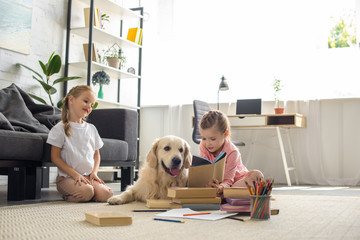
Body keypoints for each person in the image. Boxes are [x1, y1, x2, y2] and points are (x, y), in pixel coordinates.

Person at [47, 85, 113, 202]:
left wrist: (94, 173)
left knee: (106, 194)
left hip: (88, 177)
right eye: (86, 101)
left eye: (92, 105)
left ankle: (89, 192)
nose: (89, 106)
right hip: (68, 178)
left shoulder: (91, 129)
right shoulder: (59, 129)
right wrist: (75, 175)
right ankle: (78, 194)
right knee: (86, 192)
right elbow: (55, 157)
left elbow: (96, 155)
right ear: (71, 100)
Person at [199, 110, 264, 196]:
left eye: (213, 139)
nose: (207, 143)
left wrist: (220, 188)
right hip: (218, 185)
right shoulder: (203, 145)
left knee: (257, 175)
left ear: (225, 134)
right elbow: (204, 172)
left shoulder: (232, 152)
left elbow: (228, 181)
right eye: (204, 138)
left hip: (235, 182)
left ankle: (227, 194)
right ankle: (226, 194)